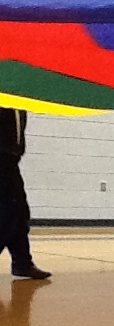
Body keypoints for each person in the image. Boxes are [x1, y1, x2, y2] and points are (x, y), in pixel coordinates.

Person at [0, 108, 51, 280]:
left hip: (11, 160)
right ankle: (22, 262)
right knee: (9, 214)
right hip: (1, 159)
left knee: (20, 212)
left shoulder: (20, 103)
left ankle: (22, 263)